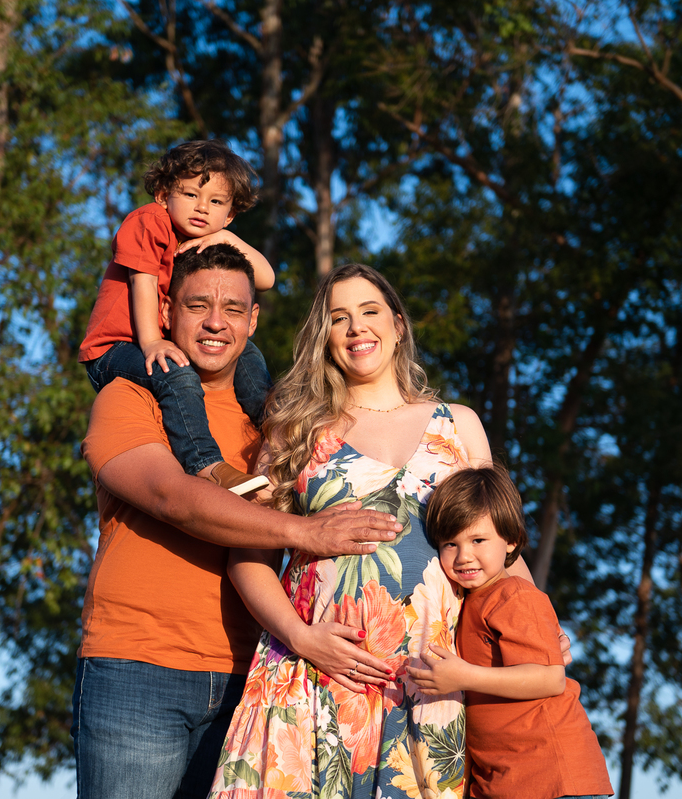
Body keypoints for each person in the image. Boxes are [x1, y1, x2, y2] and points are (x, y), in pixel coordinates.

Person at [209, 264, 568, 799]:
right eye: (339, 318)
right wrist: (301, 638)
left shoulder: (458, 424)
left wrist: (538, 624)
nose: (356, 327)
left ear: (398, 325)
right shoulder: (295, 428)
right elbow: (248, 554)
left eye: (370, 311)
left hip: (429, 686)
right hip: (312, 676)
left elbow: (499, 549)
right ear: (325, 337)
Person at [72, 245, 404, 799]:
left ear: (253, 320)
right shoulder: (129, 395)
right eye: (197, 305)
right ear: (166, 311)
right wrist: (304, 532)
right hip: (137, 667)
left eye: (232, 309)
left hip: (256, 673)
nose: (215, 323)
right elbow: (173, 497)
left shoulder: (277, 424)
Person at [79, 139, 276, 494]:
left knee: (247, 351)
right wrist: (152, 342)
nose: (202, 208)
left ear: (230, 214)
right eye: (190, 195)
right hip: (114, 348)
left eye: (216, 202)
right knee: (176, 373)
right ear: (162, 195)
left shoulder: (205, 239)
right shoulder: (150, 221)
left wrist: (227, 236)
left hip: (154, 339)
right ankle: (206, 465)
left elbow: (266, 278)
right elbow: (142, 284)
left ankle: (278, 428)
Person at [411, 466, 612, 799]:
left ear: (511, 540)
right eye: (450, 544)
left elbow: (551, 679)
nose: (464, 556)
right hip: (508, 778)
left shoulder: (514, 595)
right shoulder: (469, 601)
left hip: (551, 774)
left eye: (478, 540)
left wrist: (464, 676)